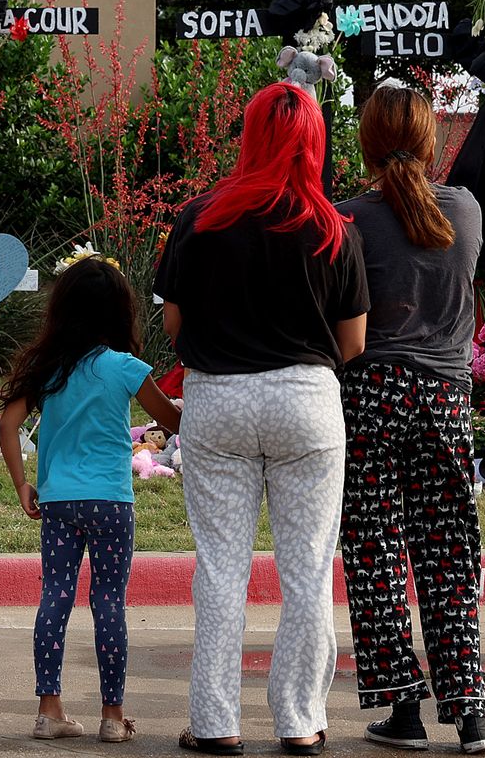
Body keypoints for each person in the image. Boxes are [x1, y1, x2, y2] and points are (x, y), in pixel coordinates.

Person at [154, 82, 368, 757]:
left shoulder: (199, 218)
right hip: (306, 401)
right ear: (314, 142)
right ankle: (300, 721)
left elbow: (174, 322)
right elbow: (354, 342)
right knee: (307, 568)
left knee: (221, 567)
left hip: (219, 399)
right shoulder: (334, 228)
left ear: (247, 136)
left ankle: (216, 723)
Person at [336, 84, 485, 753]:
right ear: (432, 140)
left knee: (374, 549)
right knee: (448, 551)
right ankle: (470, 709)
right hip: (446, 395)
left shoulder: (347, 218)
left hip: (372, 391)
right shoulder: (464, 208)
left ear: (367, 143)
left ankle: (402, 707)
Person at [0, 255, 181, 744]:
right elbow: (172, 419)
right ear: (120, 313)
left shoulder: (48, 367)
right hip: (112, 504)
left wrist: (21, 484)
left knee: (55, 595)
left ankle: (48, 708)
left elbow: (7, 424)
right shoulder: (124, 368)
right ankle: (112, 715)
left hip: (58, 502)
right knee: (109, 603)